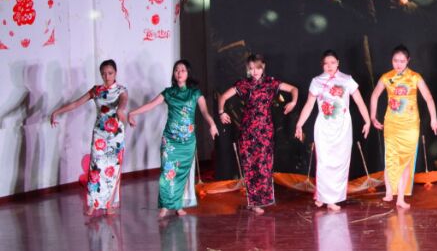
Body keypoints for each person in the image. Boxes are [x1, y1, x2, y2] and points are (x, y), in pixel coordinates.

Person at [127, 60, 219, 217]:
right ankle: (165, 206)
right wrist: (132, 113)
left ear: (188, 73)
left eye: (183, 70)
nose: (179, 72)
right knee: (167, 172)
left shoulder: (195, 93)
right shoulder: (168, 93)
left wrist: (212, 124)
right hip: (170, 140)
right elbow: (151, 105)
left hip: (187, 142)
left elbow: (205, 112)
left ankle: (178, 206)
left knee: (181, 173)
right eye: (177, 70)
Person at [218, 54, 299, 213]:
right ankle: (254, 202)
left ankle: (264, 199)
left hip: (265, 129)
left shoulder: (270, 83)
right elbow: (224, 96)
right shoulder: (243, 84)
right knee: (250, 164)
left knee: (264, 163)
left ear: (263, 67)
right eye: (251, 68)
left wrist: (293, 102)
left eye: (258, 68)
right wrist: (221, 112)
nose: (254, 71)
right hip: (248, 130)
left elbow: (293, 89)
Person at [293, 50, 372, 210]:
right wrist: (299, 124)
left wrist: (367, 120)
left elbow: (359, 101)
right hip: (324, 126)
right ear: (322, 65)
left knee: (340, 162)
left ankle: (329, 198)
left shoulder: (347, 80)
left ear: (338, 63)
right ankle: (325, 198)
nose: (329, 66)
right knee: (324, 162)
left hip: (343, 127)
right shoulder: (316, 81)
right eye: (326, 63)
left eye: (333, 63)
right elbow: (309, 105)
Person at [50, 59, 128, 216]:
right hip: (99, 133)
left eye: (110, 73)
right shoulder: (96, 90)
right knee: (95, 167)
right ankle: (93, 203)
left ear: (115, 73)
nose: (107, 76)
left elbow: (123, 102)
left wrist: (120, 110)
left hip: (115, 135)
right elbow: (75, 104)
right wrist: (56, 112)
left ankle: (109, 204)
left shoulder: (121, 90)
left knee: (112, 170)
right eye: (104, 74)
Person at [369, 45, 437, 209]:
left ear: (408, 60)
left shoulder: (415, 77)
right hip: (392, 123)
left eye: (402, 61)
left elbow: (428, 98)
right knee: (391, 157)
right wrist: (373, 116)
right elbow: (375, 95)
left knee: (405, 159)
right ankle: (390, 191)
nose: (398, 64)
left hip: (410, 125)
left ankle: (400, 197)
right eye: (396, 60)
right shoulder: (386, 77)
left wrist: (433, 119)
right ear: (391, 60)